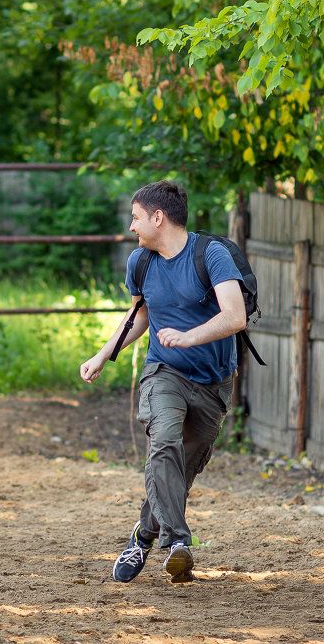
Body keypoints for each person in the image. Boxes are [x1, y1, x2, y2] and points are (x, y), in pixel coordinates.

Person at [80, 180, 246, 584]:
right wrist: (103, 354)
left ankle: (144, 535)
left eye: (136, 217)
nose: (132, 226)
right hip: (164, 371)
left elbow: (235, 316)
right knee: (163, 443)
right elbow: (140, 314)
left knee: (179, 472)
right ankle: (177, 543)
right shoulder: (141, 261)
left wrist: (189, 336)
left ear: (158, 217)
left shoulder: (212, 255)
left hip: (213, 382)